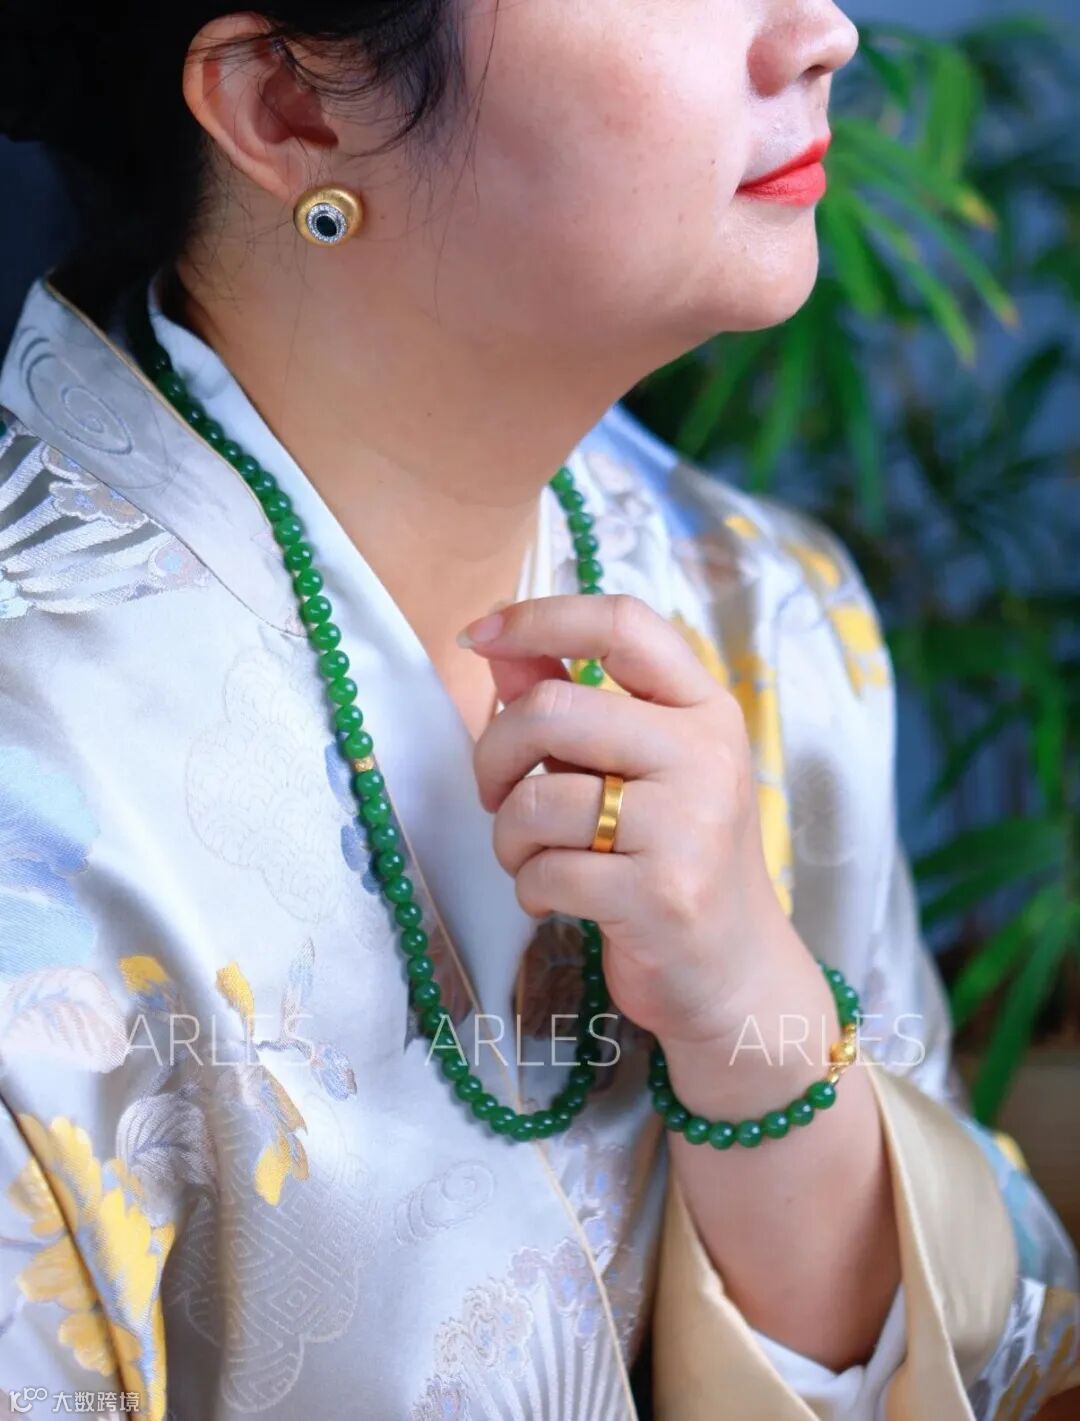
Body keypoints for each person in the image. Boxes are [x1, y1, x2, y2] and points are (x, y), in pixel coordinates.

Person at [0, 3, 1076, 1418]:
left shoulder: (766, 605)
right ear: (287, 105)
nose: (821, 34)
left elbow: (1009, 1364)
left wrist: (757, 1032)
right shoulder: (31, 806)